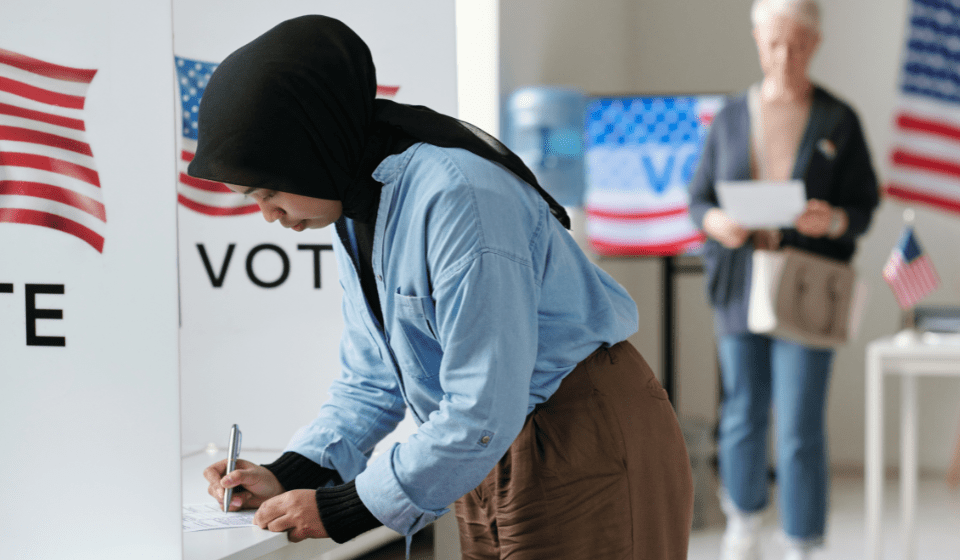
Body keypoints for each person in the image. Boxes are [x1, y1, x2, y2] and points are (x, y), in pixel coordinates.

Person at [192, 15, 693, 559]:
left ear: (311, 148)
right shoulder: (351, 206)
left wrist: (343, 507)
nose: (268, 215)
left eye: (269, 190)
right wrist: (287, 472)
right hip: (483, 450)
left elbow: (482, 406)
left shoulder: (459, 197)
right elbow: (371, 379)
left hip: (577, 434)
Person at [687, 1, 879, 559]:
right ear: (756, 40)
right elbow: (697, 198)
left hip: (808, 287)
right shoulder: (728, 119)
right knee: (743, 412)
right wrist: (715, 221)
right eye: (773, 42)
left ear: (815, 44)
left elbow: (863, 207)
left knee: (799, 422)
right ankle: (743, 522)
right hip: (739, 283)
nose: (784, 55)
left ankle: (802, 540)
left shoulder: (839, 121)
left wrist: (835, 220)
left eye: (796, 43)